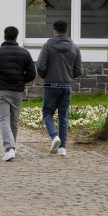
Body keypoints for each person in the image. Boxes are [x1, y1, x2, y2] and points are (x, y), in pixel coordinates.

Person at [0, 25, 37, 162]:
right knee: (14, 120)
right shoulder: (24, 53)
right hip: (17, 90)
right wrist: (21, 81)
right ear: (16, 37)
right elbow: (32, 73)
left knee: (3, 119)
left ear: (4, 37)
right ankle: (12, 147)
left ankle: (9, 148)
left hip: (2, 90)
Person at [36, 19, 84, 157]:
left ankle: (54, 136)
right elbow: (78, 69)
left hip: (51, 85)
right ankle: (62, 148)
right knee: (64, 116)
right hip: (66, 86)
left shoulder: (47, 46)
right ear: (67, 31)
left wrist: (46, 76)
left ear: (55, 31)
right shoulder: (75, 47)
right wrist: (69, 76)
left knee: (47, 113)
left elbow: (40, 66)